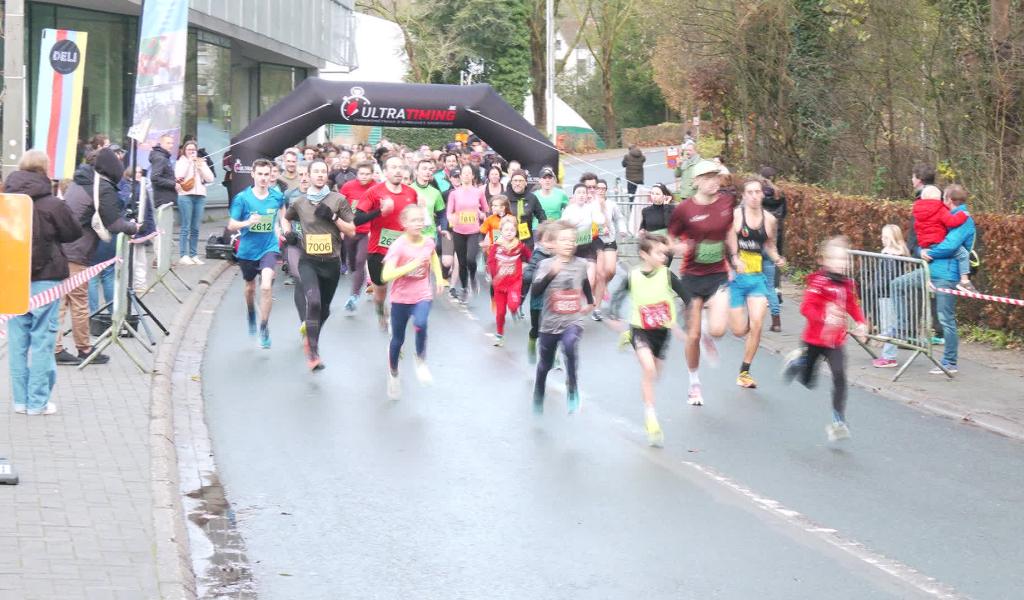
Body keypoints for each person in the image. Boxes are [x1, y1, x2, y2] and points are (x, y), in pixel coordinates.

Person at [6, 150, 83, 415]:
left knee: (17, 339)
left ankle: (19, 400)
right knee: (42, 339)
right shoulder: (52, 204)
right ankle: (37, 402)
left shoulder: (6, 201)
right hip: (46, 278)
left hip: (12, 278)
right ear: (45, 170)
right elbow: (73, 233)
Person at [56, 148, 141, 366]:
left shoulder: (80, 181)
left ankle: (56, 347)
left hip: (61, 247)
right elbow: (113, 223)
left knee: (61, 301)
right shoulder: (101, 187)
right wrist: (134, 227)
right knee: (78, 300)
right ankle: (83, 349)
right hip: (76, 251)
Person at [782, 237, 869, 442]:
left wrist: (861, 323)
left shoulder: (847, 284)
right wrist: (824, 317)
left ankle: (838, 421)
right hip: (813, 340)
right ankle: (798, 361)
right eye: (836, 259)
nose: (841, 263)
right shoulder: (818, 282)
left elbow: (853, 306)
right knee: (807, 381)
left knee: (840, 376)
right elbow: (806, 308)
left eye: (844, 259)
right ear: (825, 261)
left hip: (835, 342)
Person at [667, 160, 736, 406]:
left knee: (718, 330)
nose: (713, 182)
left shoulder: (726, 202)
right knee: (692, 335)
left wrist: (735, 256)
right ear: (695, 181)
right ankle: (694, 383)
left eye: (715, 177)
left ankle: (708, 332)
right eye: (707, 178)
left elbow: (729, 230)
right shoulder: (683, 210)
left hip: (718, 273)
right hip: (692, 277)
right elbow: (670, 239)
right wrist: (681, 246)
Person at [281, 159, 355, 371]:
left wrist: (333, 217)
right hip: (309, 261)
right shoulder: (299, 202)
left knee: (324, 309)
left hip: (331, 262)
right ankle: (313, 353)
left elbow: (351, 230)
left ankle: (311, 338)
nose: (320, 175)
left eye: (324, 172)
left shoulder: (338, 200)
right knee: (313, 303)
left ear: (327, 175)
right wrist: (288, 234)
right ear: (310, 176)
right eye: (316, 172)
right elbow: (286, 219)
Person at [620, 233, 688, 446]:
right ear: (644, 255)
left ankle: (628, 338)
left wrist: (682, 325)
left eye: (665, 253)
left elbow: (688, 298)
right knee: (648, 369)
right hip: (639, 328)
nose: (664, 256)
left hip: (661, 331)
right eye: (659, 253)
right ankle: (650, 416)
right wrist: (613, 316)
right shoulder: (633, 276)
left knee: (655, 374)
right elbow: (616, 299)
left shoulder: (668, 276)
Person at [381, 205, 448, 399]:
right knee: (397, 341)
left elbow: (433, 256)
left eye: (421, 219)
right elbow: (386, 275)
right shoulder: (399, 246)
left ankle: (420, 360)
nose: (418, 223)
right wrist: (411, 264)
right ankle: (393, 373)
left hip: (422, 294)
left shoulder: (427, 242)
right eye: (414, 220)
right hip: (401, 298)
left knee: (421, 323)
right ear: (404, 224)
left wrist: (439, 277)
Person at [531, 221, 595, 415]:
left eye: (572, 240)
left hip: (572, 320)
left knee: (570, 345)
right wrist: (552, 273)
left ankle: (572, 385)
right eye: (564, 240)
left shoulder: (581, 264)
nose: (569, 244)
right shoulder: (545, 265)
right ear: (554, 244)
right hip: (550, 324)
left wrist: (590, 301)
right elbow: (535, 291)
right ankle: (538, 393)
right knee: (545, 365)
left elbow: (584, 282)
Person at [727, 179, 785, 388]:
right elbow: (729, 239)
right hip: (737, 279)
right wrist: (735, 258)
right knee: (738, 330)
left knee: (758, 323)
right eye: (749, 192)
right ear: (744, 195)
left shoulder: (769, 219)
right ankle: (737, 321)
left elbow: (769, 244)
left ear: (762, 195)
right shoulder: (735, 215)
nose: (753, 195)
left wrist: (777, 257)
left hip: (757, 277)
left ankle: (745, 372)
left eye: (757, 192)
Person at [354, 155, 420, 330]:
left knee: (402, 287)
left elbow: (414, 219)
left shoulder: (411, 193)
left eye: (401, 167)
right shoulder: (374, 192)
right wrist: (379, 211)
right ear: (384, 172)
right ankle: (380, 309)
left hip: (404, 250)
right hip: (378, 251)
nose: (398, 170)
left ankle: (398, 318)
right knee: (380, 290)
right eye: (393, 167)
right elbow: (357, 219)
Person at [227, 159, 285, 349]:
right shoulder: (242, 198)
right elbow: (231, 225)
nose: (263, 178)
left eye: (266, 174)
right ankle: (251, 310)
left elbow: (283, 216)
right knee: (250, 288)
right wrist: (247, 223)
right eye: (259, 174)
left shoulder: (277, 197)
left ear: (271, 176)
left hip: (269, 248)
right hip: (247, 251)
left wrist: (285, 230)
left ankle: (264, 326)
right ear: (253, 174)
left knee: (266, 287)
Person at [919, 184, 975, 374]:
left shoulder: (964, 219)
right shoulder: (945, 215)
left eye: (943, 197)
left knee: (946, 319)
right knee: (898, 285)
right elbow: (929, 237)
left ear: (948, 200)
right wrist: (922, 250)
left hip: (947, 275)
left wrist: (929, 252)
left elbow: (950, 246)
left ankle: (950, 362)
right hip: (930, 270)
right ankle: (901, 333)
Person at [912, 185, 977, 293]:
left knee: (898, 285)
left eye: (944, 198)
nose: (942, 200)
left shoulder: (918, 211)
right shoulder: (942, 211)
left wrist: (923, 251)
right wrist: (963, 215)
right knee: (963, 254)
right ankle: (965, 281)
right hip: (940, 271)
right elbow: (949, 243)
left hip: (934, 258)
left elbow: (948, 246)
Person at [445, 163, 488, 302]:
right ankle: (464, 287)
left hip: (473, 231)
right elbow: (449, 212)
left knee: (471, 259)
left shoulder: (479, 192)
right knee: (462, 262)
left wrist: (482, 216)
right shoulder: (454, 194)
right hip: (458, 231)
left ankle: (473, 276)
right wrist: (451, 218)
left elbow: (485, 210)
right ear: (461, 176)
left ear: (473, 176)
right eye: (464, 173)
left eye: (469, 173)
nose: (466, 175)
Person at [487, 215, 532, 347]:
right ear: (501, 231)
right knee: (500, 312)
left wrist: (528, 265)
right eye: (506, 230)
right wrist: (494, 274)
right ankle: (499, 335)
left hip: (514, 282)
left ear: (516, 231)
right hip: (499, 285)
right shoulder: (496, 246)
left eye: (512, 230)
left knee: (513, 305)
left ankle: (514, 311)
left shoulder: (520, 245)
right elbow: (490, 261)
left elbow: (529, 256)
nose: (509, 233)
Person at [871, 224, 911, 368]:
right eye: (882, 236)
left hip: (888, 294)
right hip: (886, 293)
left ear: (893, 239)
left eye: (886, 237)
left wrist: (876, 287)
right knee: (888, 324)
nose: (883, 239)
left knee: (889, 325)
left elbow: (888, 276)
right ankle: (887, 355)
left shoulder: (893, 255)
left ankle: (889, 357)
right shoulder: (891, 253)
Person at [340, 161, 376, 313]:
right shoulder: (348, 186)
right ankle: (359, 282)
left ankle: (353, 296)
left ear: (372, 174)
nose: (364, 177)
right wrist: (341, 227)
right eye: (361, 174)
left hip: (367, 232)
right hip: (350, 230)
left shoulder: (376, 188)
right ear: (357, 174)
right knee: (353, 264)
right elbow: (339, 206)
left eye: (367, 174)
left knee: (361, 261)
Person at [174, 140, 215, 265]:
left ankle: (194, 254)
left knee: (195, 227)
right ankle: (183, 254)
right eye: (189, 149)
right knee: (185, 226)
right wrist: (189, 163)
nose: (192, 152)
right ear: (184, 151)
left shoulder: (201, 161)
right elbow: (179, 175)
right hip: (185, 195)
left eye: (194, 150)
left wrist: (201, 167)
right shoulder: (181, 161)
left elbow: (210, 178)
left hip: (200, 196)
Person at [592, 178, 625, 322]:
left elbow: (619, 218)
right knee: (599, 274)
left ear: (606, 191)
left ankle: (604, 285)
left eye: (603, 189)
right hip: (596, 241)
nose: (600, 191)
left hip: (610, 240)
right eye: (598, 188)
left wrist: (623, 230)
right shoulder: (591, 204)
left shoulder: (612, 204)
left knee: (610, 270)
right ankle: (597, 308)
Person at [523, 223, 554, 364]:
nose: (552, 244)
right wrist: (534, 275)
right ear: (540, 241)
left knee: (553, 328)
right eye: (549, 240)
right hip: (538, 299)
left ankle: (553, 356)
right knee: (536, 328)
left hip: (553, 300)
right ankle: (532, 341)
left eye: (555, 240)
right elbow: (528, 273)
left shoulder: (560, 257)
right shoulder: (538, 255)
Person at [760, 167, 786, 331]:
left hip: (757, 241)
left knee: (750, 282)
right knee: (771, 282)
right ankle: (776, 321)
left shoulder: (757, 197)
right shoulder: (780, 195)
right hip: (775, 238)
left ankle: (751, 320)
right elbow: (784, 214)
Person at [562, 183, 605, 266]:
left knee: (590, 270)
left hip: (588, 244)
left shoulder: (590, 208)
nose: (581, 195)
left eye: (584, 193)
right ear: (574, 196)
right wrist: (574, 223)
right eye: (579, 193)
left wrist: (595, 204)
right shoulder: (569, 209)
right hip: (574, 245)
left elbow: (600, 221)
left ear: (586, 196)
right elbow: (562, 225)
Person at [505, 169, 547, 249]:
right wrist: (495, 240)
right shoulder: (504, 197)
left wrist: (543, 234)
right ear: (511, 182)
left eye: (521, 181)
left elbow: (542, 216)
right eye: (515, 181)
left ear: (526, 183)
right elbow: (494, 218)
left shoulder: (532, 198)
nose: (517, 183)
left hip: (526, 241)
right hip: (507, 241)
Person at [149, 134, 178, 208]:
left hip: (167, 198)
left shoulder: (163, 157)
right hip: (164, 200)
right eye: (168, 143)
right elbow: (155, 178)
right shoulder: (160, 158)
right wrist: (174, 184)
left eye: (172, 143)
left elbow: (164, 176)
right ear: (161, 144)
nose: (171, 145)